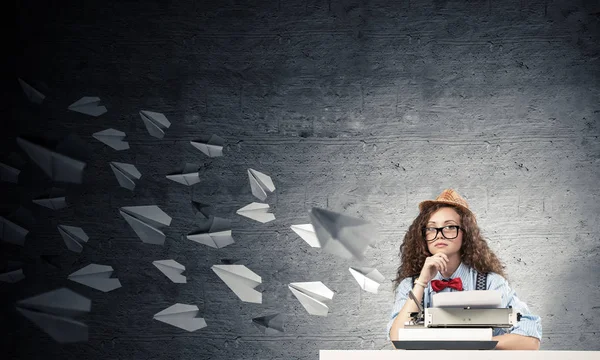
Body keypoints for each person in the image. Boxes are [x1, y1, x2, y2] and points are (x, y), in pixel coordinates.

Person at [387, 189, 542, 350]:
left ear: (465, 234)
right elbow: (397, 339)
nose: (439, 235)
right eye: (431, 228)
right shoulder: (410, 284)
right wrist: (422, 283)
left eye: (449, 227)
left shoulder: (491, 283)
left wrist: (475, 343)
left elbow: (531, 340)